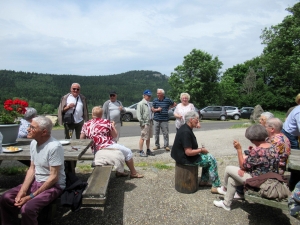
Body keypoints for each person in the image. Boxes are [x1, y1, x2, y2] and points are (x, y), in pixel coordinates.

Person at [0, 116, 66, 224]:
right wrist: (22, 191)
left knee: (27, 209)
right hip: (36, 182)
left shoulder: (54, 147)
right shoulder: (34, 143)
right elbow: (32, 168)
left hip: (53, 186)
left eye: (32, 127)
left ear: (43, 132)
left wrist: (30, 196)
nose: (27, 129)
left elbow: (54, 177)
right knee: (5, 198)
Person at [213, 124, 279, 211]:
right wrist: (244, 168)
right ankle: (226, 204)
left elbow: (242, 165)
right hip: (270, 179)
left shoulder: (257, 151)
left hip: (259, 181)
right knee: (232, 180)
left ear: (252, 139)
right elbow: (261, 162)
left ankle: (224, 188)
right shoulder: (273, 147)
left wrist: (239, 149)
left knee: (228, 168)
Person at [80, 106, 143, 178]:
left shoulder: (86, 124)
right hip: (107, 146)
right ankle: (133, 173)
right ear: (101, 114)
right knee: (128, 152)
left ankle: (120, 171)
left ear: (92, 114)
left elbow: (82, 138)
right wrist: (113, 126)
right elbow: (115, 135)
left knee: (121, 151)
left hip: (95, 149)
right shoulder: (106, 122)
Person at [171, 111, 221, 193]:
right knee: (211, 159)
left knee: (207, 157)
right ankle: (215, 186)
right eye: (197, 120)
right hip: (185, 158)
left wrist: (200, 150)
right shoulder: (186, 132)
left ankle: (204, 180)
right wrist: (201, 150)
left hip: (181, 155)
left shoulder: (185, 127)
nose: (198, 122)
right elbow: (188, 152)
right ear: (191, 119)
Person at [137, 89, 155, 157]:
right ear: (144, 96)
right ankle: (141, 151)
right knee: (143, 137)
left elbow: (148, 113)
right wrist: (142, 123)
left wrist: (152, 111)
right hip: (145, 123)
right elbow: (139, 115)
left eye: (150, 96)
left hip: (150, 122)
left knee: (148, 137)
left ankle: (148, 150)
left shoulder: (149, 103)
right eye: (148, 96)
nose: (149, 97)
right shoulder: (141, 103)